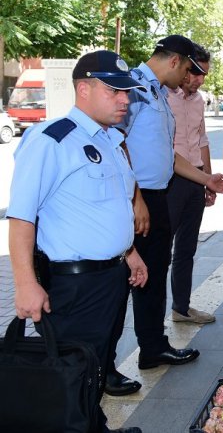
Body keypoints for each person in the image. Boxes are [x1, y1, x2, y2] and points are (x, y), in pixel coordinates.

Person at [8, 50, 148, 433]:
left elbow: (111, 208)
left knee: (97, 369)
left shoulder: (109, 140)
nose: (125, 99)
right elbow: (21, 218)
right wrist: (25, 284)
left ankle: (95, 426)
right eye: (115, 91)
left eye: (128, 92)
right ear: (83, 88)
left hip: (110, 278)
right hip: (74, 286)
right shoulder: (51, 140)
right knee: (70, 378)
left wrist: (130, 253)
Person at [107, 35, 223, 379]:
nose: (192, 81)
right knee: (124, 282)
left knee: (153, 274)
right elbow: (115, 144)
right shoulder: (131, 87)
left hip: (158, 195)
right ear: (177, 61)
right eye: (192, 71)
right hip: (139, 198)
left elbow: (168, 153)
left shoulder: (157, 93)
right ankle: (104, 367)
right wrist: (135, 199)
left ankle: (153, 348)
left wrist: (206, 178)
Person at [166, 43, 216, 324]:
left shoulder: (198, 101)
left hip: (196, 178)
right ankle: (150, 328)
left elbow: (202, 141)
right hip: (169, 181)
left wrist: (209, 180)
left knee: (187, 248)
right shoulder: (162, 97)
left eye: (204, 75)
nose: (199, 80)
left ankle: (181, 308)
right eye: (196, 72)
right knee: (162, 252)